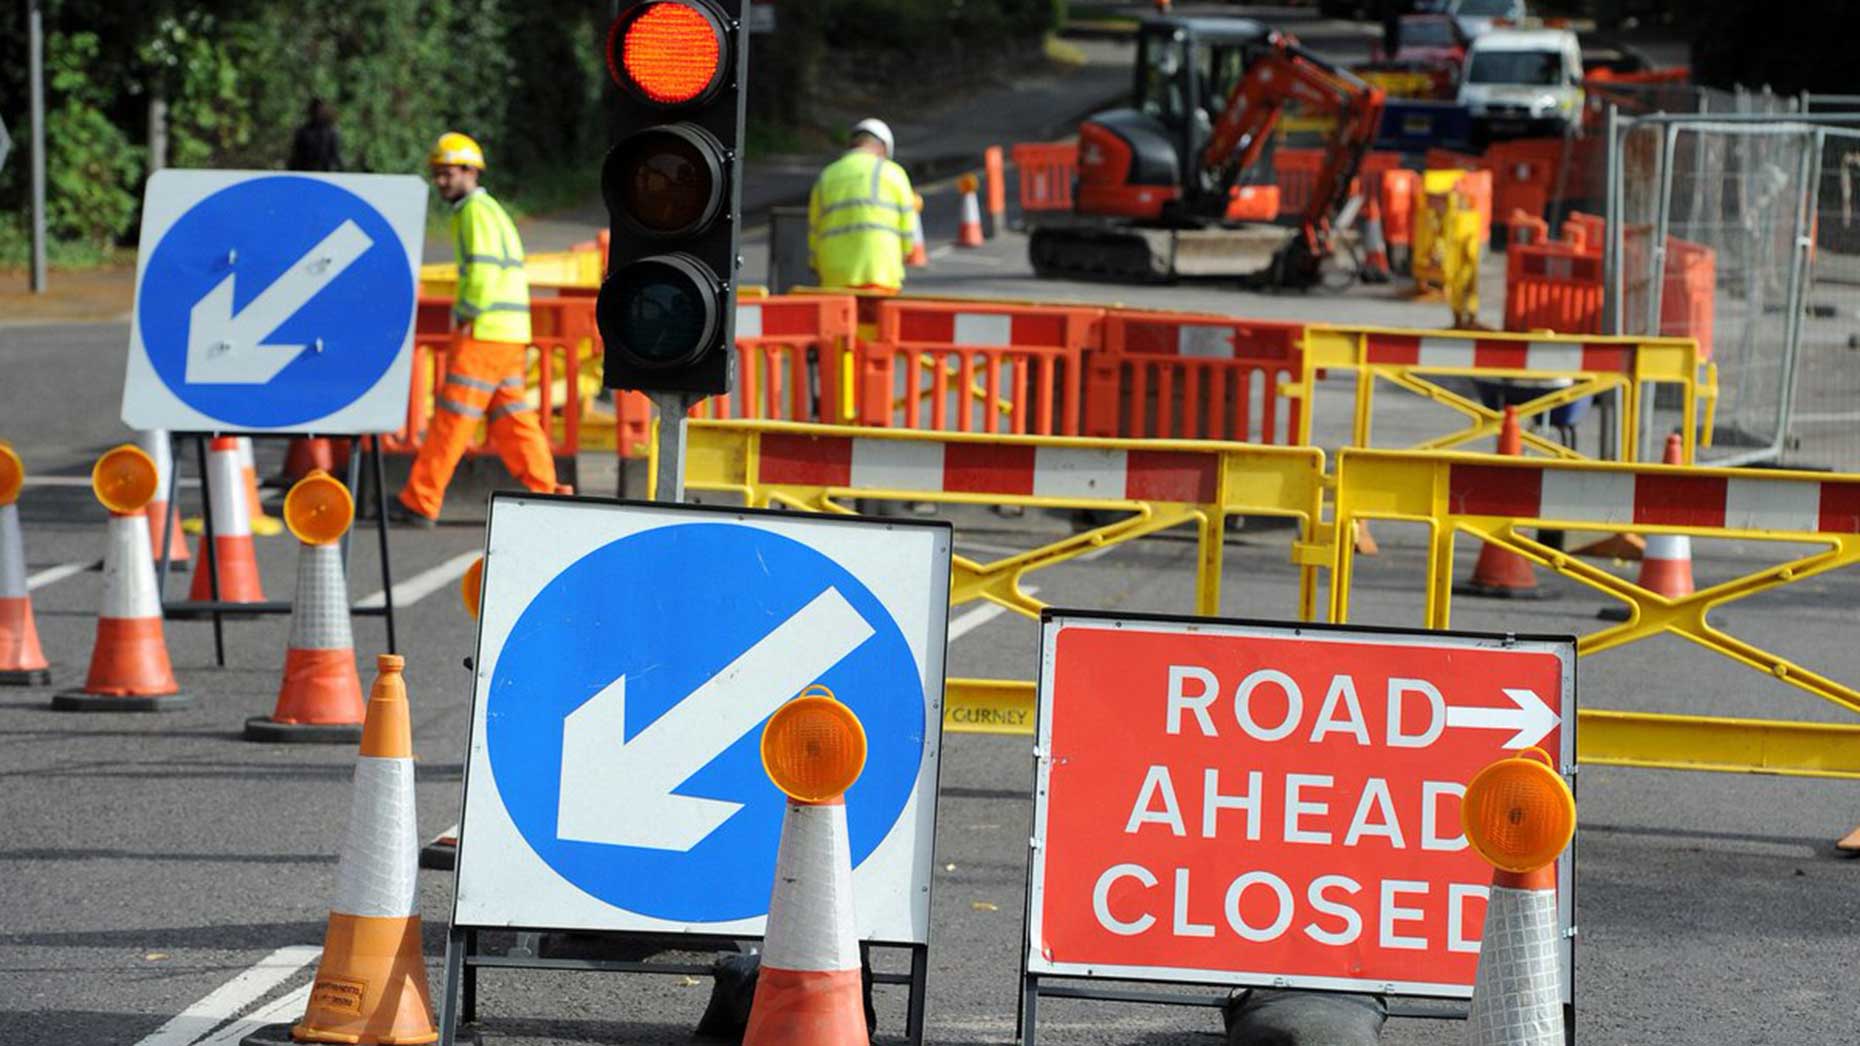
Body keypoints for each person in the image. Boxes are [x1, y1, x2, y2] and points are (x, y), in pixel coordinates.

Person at [390, 132, 563, 526]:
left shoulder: (472, 213)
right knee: (513, 419)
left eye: (447, 173)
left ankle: (420, 500)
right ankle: (548, 493)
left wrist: (465, 316)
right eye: (437, 174)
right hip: (508, 334)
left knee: (452, 418)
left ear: (470, 171)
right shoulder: (492, 211)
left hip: (484, 334)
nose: (440, 182)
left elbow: (482, 275)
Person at [807, 118, 916, 293]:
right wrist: (904, 254)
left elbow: (815, 229)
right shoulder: (893, 173)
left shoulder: (826, 176)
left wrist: (815, 265)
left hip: (833, 275)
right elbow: (907, 228)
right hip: (880, 272)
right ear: (883, 148)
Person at [288, 99, 342, 172]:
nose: (317, 113)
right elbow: (296, 156)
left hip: (325, 173)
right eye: (315, 110)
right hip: (305, 172)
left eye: (320, 110)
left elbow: (334, 155)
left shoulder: (330, 133)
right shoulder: (302, 132)